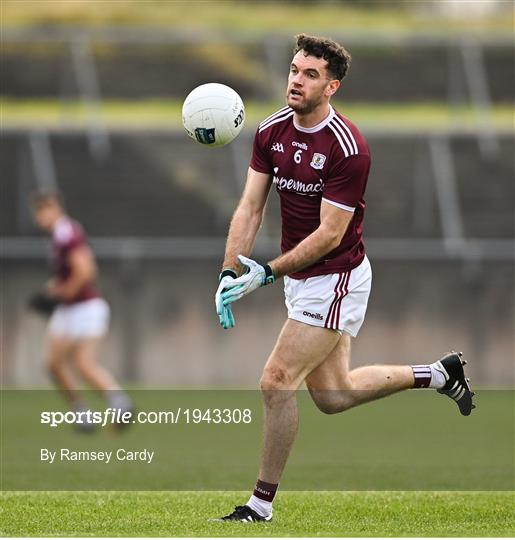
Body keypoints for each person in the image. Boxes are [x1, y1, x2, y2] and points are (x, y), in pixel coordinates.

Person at [214, 34, 475, 522]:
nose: (296, 80)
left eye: (310, 74)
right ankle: (438, 373)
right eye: (294, 70)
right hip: (301, 278)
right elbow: (250, 208)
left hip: (336, 277)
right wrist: (231, 271)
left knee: (276, 381)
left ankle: (259, 506)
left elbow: (330, 235)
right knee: (334, 396)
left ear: (331, 86)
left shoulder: (348, 148)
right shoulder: (270, 132)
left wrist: (265, 273)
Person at [30, 191, 132, 429]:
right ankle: (85, 411)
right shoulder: (58, 235)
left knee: (82, 363)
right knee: (54, 364)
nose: (39, 217)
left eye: (42, 211)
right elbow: (66, 274)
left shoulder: (66, 233)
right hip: (70, 309)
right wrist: (52, 290)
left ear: (54, 208)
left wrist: (61, 293)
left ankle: (117, 403)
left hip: (84, 307)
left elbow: (85, 271)